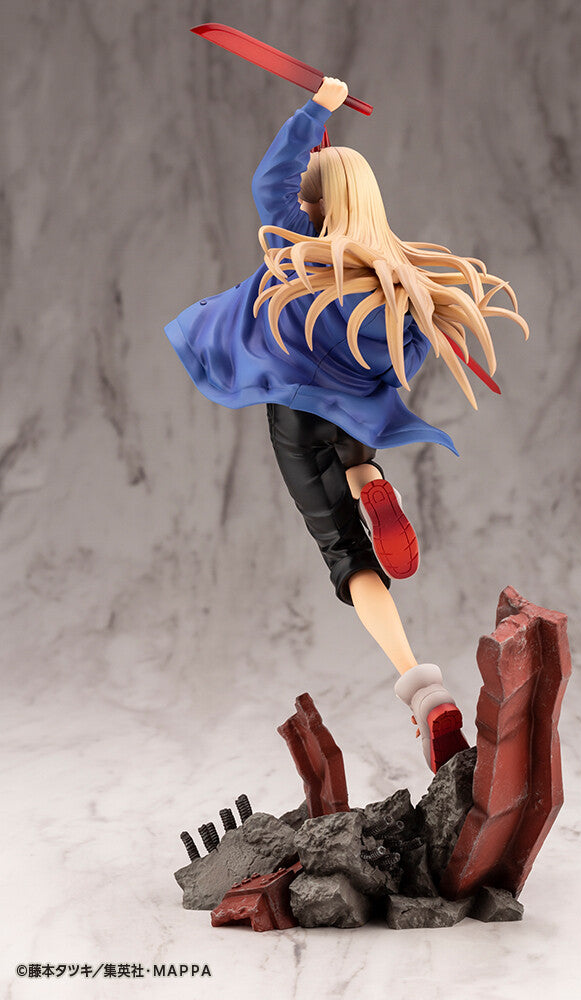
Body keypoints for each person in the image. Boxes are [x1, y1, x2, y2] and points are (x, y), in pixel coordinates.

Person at [165, 78, 528, 771]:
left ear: (312, 203)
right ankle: (368, 480)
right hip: (359, 410)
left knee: (346, 554)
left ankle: (422, 689)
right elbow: (404, 365)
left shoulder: (296, 246)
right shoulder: (398, 277)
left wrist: (318, 107)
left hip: (297, 414)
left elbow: (269, 179)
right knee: (357, 445)